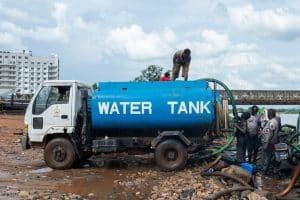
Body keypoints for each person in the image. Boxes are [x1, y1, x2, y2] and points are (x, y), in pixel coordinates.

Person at [261, 109, 279, 174]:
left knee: (266, 156)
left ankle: (264, 170)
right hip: (270, 142)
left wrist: (266, 143)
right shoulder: (274, 121)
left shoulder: (272, 122)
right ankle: (265, 169)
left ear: (270, 114)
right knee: (267, 156)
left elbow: (270, 133)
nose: (267, 115)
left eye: (268, 114)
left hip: (269, 142)